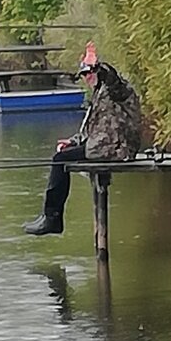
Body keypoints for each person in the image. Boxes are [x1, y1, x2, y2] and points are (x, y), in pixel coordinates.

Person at [23, 43, 143, 235]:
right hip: (102, 146)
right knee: (61, 155)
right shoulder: (98, 95)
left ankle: (52, 218)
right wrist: (73, 141)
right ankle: (50, 215)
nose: (87, 78)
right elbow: (90, 130)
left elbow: (114, 81)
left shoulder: (118, 90)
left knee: (59, 160)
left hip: (118, 149)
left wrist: (98, 65)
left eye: (89, 73)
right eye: (84, 75)